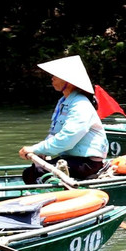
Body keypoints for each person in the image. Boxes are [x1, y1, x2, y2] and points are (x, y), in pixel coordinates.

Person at [19, 56, 109, 185]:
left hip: (87, 163)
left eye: (56, 75)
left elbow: (67, 139)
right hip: (70, 158)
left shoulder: (80, 104)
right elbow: (54, 133)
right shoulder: (63, 102)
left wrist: (36, 148)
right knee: (30, 173)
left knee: (38, 172)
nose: (52, 78)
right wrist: (42, 152)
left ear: (69, 81)